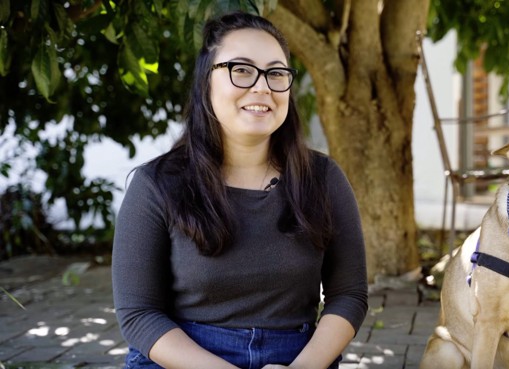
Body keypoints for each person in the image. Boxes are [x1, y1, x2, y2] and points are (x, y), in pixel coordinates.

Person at [111, 12, 368, 369]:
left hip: (296, 360)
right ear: (206, 82)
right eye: (241, 69)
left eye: (276, 73)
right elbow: (139, 313)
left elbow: (349, 295)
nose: (262, 86)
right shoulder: (156, 185)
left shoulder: (322, 178)